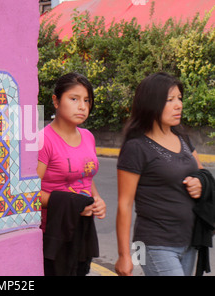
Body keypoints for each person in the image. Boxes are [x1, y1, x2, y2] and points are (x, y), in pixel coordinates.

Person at [115, 72, 204, 276]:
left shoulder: (181, 137)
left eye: (179, 98)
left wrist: (200, 183)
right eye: (170, 99)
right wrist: (123, 255)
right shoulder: (136, 147)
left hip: (188, 240)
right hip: (152, 244)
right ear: (151, 102)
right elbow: (124, 204)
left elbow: (201, 173)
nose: (178, 105)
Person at [37, 72, 106, 276]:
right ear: (56, 101)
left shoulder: (88, 137)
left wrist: (97, 199)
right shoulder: (43, 141)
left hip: (82, 230)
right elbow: (29, 193)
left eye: (87, 100)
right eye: (74, 99)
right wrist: (75, 204)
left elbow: (86, 176)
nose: (82, 106)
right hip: (54, 234)